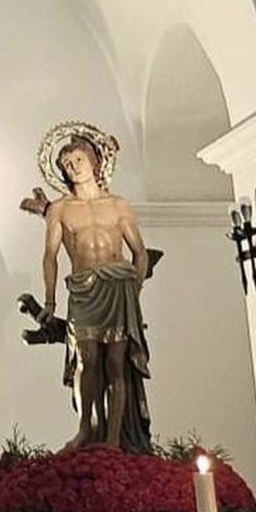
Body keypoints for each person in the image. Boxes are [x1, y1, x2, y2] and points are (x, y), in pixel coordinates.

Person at [38, 135, 152, 452]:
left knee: (116, 362)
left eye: (78, 160)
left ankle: (114, 439)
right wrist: (49, 301)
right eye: (67, 164)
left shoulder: (118, 205)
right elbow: (50, 256)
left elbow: (139, 253)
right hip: (84, 288)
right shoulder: (60, 209)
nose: (74, 167)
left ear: (94, 163)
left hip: (118, 286)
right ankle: (86, 427)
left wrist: (135, 289)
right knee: (87, 359)